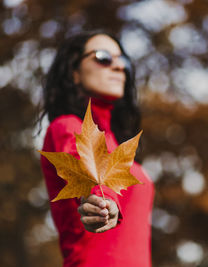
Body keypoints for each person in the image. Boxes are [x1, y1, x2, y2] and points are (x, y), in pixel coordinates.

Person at [39, 30, 154, 267]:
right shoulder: (66, 126)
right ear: (74, 73)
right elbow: (82, 164)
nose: (118, 67)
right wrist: (104, 203)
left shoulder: (117, 142)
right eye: (103, 57)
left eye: (122, 60)